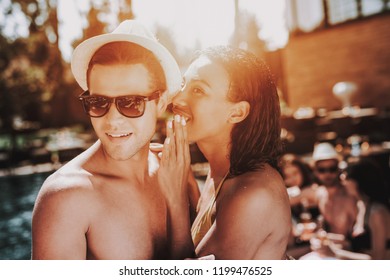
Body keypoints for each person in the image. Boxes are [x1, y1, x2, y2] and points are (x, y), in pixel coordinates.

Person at [31, 20, 184, 259]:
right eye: (98, 102)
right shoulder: (66, 199)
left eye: (131, 103)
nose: (112, 120)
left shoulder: (176, 175)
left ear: (162, 102)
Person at [164, 46, 292, 259]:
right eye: (183, 84)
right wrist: (186, 182)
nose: (176, 100)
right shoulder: (224, 171)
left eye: (198, 90)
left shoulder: (254, 195)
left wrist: (175, 197)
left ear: (237, 113)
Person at [341, 158, 390, 259]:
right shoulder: (361, 205)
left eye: (346, 178)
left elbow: (379, 258)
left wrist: (336, 253)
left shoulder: (377, 212)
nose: (343, 183)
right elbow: (359, 245)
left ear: (357, 181)